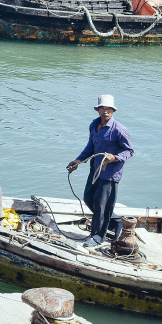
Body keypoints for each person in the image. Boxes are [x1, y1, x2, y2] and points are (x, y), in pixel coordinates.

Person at [67, 95, 134, 248]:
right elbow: (91, 146)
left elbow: (129, 151)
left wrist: (115, 157)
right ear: (98, 110)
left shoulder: (119, 129)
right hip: (95, 169)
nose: (106, 111)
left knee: (101, 205)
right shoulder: (94, 126)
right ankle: (116, 221)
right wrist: (78, 160)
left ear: (113, 111)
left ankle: (98, 236)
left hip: (110, 174)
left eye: (109, 109)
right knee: (88, 198)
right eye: (103, 108)